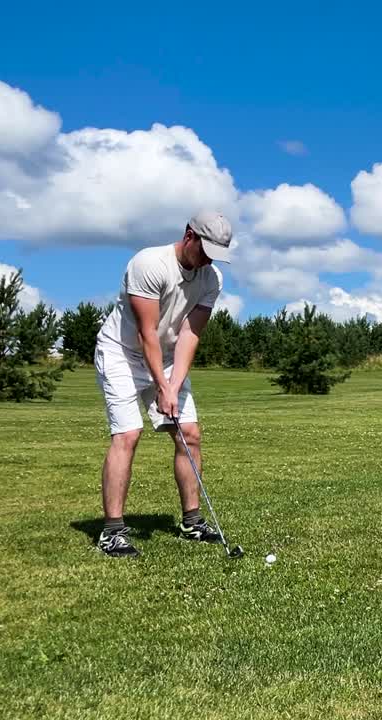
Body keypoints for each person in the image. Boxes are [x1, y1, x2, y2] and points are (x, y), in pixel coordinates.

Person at [92, 211, 233, 558]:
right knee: (128, 433)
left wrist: (174, 383)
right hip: (122, 352)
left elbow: (189, 333)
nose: (207, 261)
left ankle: (192, 521)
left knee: (190, 433)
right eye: (205, 250)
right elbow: (146, 333)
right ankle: (112, 532)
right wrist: (161, 386)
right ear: (189, 235)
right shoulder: (149, 263)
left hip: (168, 355)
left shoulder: (211, 278)